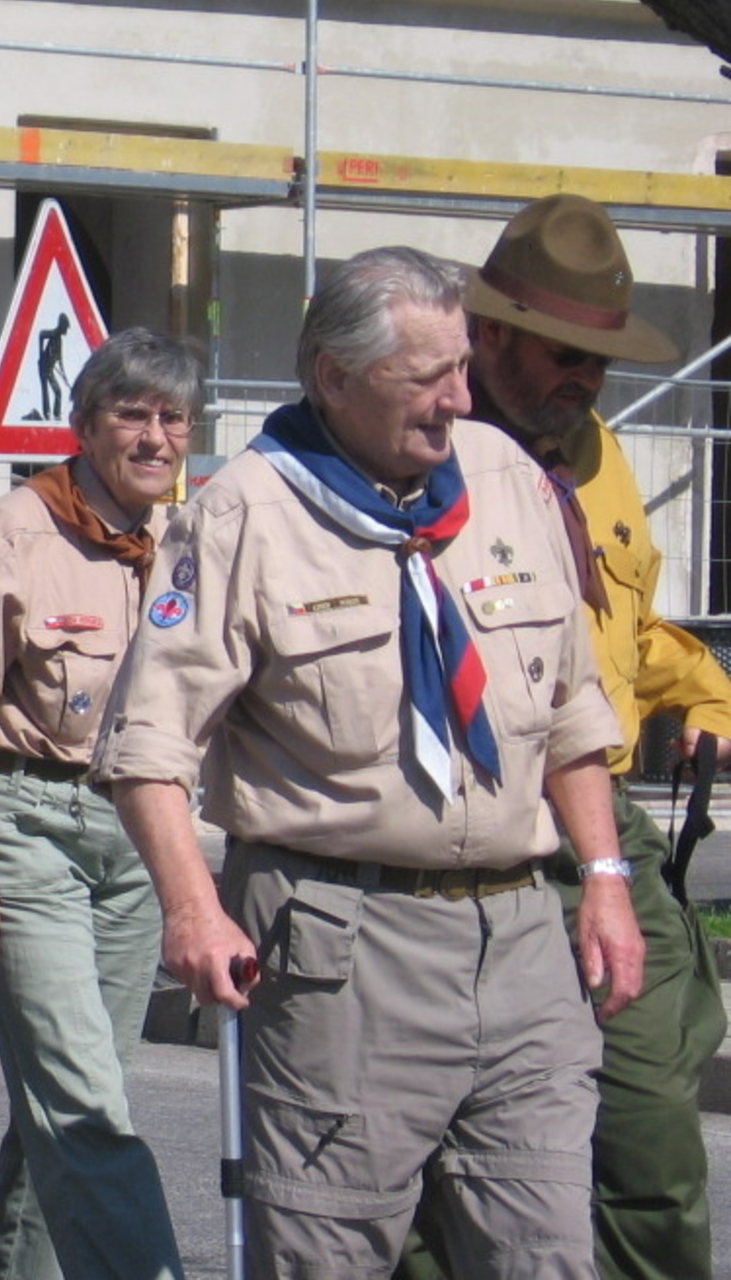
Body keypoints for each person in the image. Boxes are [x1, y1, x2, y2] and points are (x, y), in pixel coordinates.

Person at [92, 247, 644, 1278]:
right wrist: (191, 910)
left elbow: (570, 708)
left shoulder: (504, 478)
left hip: (521, 941)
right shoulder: (245, 514)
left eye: (461, 368)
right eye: (425, 376)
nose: (457, 399)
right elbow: (147, 745)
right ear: (333, 378)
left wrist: (605, 879)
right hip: (342, 946)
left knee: (547, 1254)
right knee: (327, 1255)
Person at [426, 193, 724, 1279]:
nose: (585, 379)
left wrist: (708, 697)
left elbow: (619, 633)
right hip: (466, 834)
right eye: (564, 354)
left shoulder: (592, 452)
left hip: (603, 827)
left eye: (600, 360)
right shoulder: (419, 448)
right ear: (488, 333)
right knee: (440, 1161)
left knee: (648, 1132)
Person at [0, 327, 200, 1280]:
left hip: (138, 839)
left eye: (174, 419)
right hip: (29, 826)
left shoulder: (189, 541)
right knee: (81, 1104)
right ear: (85, 424)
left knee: (71, 1107)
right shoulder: (15, 531)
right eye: (132, 415)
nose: (154, 438)